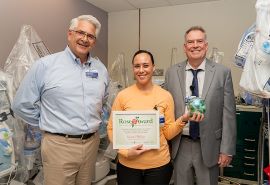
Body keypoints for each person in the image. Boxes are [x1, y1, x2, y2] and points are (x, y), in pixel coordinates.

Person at [11, 15, 109, 185]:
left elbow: (103, 100)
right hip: (59, 146)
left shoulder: (100, 69)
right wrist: (47, 121)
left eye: (91, 36)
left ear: (94, 41)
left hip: (92, 143)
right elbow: (21, 104)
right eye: (81, 33)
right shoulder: (45, 66)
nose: (85, 39)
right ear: (70, 34)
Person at [107, 50, 203, 185]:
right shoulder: (123, 96)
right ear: (133, 68)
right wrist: (126, 152)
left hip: (159, 166)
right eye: (137, 66)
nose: (141, 70)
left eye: (145, 65)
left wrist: (184, 119)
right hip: (128, 165)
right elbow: (111, 129)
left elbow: (168, 133)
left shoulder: (165, 96)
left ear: (153, 67)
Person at [164, 26, 237, 185]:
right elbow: (165, 108)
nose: (195, 45)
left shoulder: (222, 73)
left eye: (199, 41)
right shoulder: (171, 73)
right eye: (190, 42)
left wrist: (227, 149)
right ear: (185, 47)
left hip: (210, 144)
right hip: (180, 144)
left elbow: (229, 114)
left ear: (206, 45)